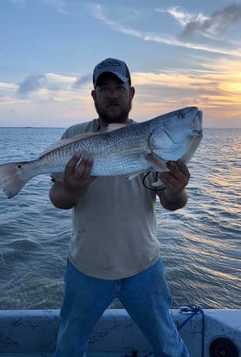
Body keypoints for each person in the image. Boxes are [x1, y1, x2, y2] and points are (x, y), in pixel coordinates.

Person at [49, 58, 190, 357]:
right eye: (104, 88)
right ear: (94, 96)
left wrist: (177, 189)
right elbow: (58, 199)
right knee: (69, 348)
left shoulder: (154, 140)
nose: (112, 94)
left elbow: (171, 202)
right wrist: (71, 190)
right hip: (86, 268)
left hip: (144, 268)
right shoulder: (74, 137)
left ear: (131, 93)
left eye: (119, 87)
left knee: (169, 346)